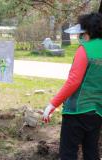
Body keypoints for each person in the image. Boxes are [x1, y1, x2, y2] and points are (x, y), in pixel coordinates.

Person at [42, 13, 102, 160]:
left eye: (82, 33)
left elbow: (74, 81)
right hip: (97, 112)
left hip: (77, 111)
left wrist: (52, 104)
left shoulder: (85, 50)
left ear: (87, 31)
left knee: (68, 153)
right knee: (91, 152)